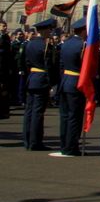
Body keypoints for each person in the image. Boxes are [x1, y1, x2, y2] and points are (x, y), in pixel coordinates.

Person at [23, 18, 57, 151]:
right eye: (49, 29)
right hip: (42, 79)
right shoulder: (45, 45)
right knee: (38, 112)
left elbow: (26, 63)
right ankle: (35, 141)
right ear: (44, 30)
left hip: (32, 78)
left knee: (29, 112)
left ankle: (27, 140)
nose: (51, 32)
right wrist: (52, 83)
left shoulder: (29, 44)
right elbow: (49, 66)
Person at [56, 19, 87, 157]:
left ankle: (64, 144)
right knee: (75, 117)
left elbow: (61, 65)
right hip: (76, 82)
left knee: (65, 116)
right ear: (83, 30)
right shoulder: (82, 45)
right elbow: (84, 67)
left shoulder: (66, 44)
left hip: (65, 81)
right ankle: (71, 146)